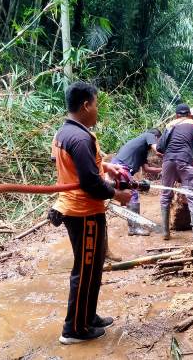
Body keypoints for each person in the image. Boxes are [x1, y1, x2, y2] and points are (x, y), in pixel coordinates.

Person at [49, 81, 131, 344]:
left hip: (79, 209)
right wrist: (118, 195)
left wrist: (106, 166)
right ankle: (73, 330)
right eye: (95, 104)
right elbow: (90, 183)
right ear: (85, 105)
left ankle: (88, 316)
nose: (97, 110)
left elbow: (77, 165)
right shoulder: (82, 137)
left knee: (93, 268)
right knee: (85, 270)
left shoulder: (65, 133)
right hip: (84, 213)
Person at [156, 103, 193, 241]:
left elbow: (160, 147)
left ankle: (165, 233)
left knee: (165, 195)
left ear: (177, 115)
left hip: (168, 161)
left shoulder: (169, 125)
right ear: (189, 114)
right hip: (185, 159)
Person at [112, 129, 163, 236]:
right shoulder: (149, 135)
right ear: (156, 137)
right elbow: (158, 150)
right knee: (132, 194)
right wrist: (169, 156)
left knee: (127, 194)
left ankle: (132, 223)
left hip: (118, 166)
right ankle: (134, 228)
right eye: (158, 140)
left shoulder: (143, 150)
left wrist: (163, 169)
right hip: (121, 167)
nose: (157, 142)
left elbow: (147, 169)